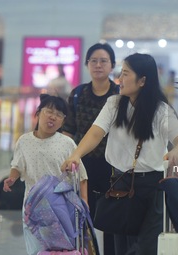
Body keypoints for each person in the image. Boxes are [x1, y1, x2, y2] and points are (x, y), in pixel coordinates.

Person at [61, 53, 178, 255]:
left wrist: (175, 152)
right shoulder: (114, 104)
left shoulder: (161, 110)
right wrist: (76, 154)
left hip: (153, 187)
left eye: (126, 74)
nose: (120, 78)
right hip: (120, 184)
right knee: (122, 246)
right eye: (121, 73)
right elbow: (96, 133)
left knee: (147, 246)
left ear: (142, 80)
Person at [3, 94, 88, 255]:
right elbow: (17, 165)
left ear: (63, 121)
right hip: (32, 206)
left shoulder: (66, 143)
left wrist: (84, 202)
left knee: (59, 250)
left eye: (59, 115)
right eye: (49, 111)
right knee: (35, 250)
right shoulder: (24, 141)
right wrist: (12, 177)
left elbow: (82, 176)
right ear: (38, 113)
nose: (53, 117)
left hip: (60, 208)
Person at [61, 42, 118, 255]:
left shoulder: (120, 95)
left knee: (113, 222)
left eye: (103, 61)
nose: (98, 65)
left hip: (114, 169)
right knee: (83, 221)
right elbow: (68, 130)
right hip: (82, 168)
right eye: (93, 60)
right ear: (86, 64)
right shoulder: (78, 94)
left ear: (112, 65)